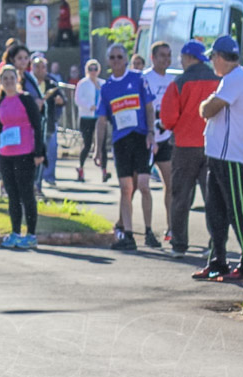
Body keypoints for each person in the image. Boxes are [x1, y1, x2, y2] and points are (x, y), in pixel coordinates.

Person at [194, 35, 243, 282]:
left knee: (238, 211)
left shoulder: (236, 79)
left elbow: (208, 110)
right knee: (216, 213)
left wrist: (207, 103)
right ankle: (217, 261)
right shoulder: (231, 80)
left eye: (213, 57)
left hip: (230, 156)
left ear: (221, 57)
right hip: (218, 155)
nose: (212, 61)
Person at [94, 43, 158, 251]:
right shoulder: (106, 88)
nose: (116, 61)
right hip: (121, 141)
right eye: (112, 58)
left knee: (143, 185)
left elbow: (149, 107)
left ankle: (149, 231)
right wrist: (97, 148)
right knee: (125, 188)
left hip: (140, 138)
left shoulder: (138, 79)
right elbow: (101, 120)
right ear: (108, 61)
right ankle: (128, 234)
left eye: (119, 57)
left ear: (126, 58)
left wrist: (151, 133)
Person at [160, 40, 219, 258]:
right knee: (212, 197)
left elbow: (167, 118)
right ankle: (216, 244)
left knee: (181, 197)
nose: (180, 62)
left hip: (185, 146)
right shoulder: (217, 80)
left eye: (182, 58)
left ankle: (179, 245)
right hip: (212, 145)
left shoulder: (180, 82)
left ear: (188, 57)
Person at [0, 65, 45, 249]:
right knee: (12, 196)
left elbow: (38, 126)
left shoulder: (26, 99)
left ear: (17, 80)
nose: (8, 81)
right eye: (5, 78)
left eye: (11, 78)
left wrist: (39, 152)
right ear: (1, 82)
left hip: (25, 153)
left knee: (27, 194)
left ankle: (31, 234)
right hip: (6, 155)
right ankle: (15, 232)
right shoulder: (1, 102)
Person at [143, 41, 174, 242]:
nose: (166, 59)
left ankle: (171, 228)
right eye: (162, 55)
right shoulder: (144, 78)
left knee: (170, 183)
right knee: (140, 184)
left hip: (166, 137)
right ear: (153, 57)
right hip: (147, 138)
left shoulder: (173, 80)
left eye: (168, 55)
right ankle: (132, 225)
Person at [32, 55, 64, 189]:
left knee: (50, 153)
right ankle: (36, 184)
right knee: (36, 156)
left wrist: (59, 100)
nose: (40, 70)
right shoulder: (29, 84)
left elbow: (62, 100)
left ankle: (48, 177)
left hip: (49, 123)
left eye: (43, 67)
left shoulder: (51, 83)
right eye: (37, 67)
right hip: (32, 125)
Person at [74, 59, 103, 182]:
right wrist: (89, 105)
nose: (93, 71)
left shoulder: (102, 83)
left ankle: (104, 170)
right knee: (87, 144)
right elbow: (77, 99)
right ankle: (80, 167)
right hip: (86, 117)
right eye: (90, 69)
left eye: (95, 69)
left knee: (101, 144)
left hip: (99, 117)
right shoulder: (83, 83)